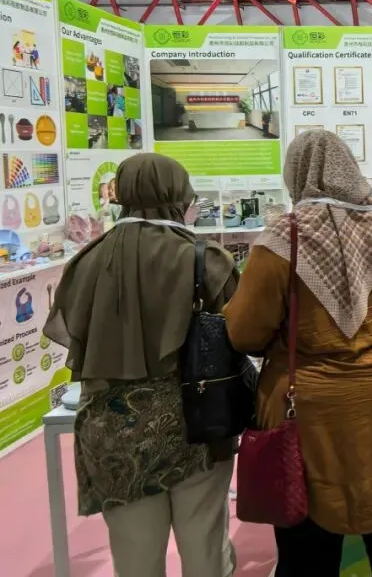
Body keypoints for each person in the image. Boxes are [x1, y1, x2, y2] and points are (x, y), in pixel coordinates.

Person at [225, 130, 372, 577]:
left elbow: (243, 333)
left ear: (296, 174)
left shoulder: (282, 238)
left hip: (314, 413)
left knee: (309, 548)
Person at [43, 153, 239, 577]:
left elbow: (72, 332)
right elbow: (241, 334)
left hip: (113, 435)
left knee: (134, 561)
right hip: (198, 424)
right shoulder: (205, 259)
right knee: (205, 550)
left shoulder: (87, 261)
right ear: (179, 192)